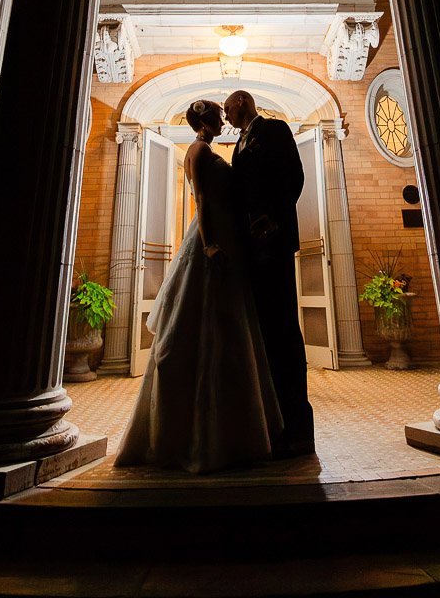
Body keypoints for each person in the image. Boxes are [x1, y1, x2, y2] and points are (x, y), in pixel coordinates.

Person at [115, 97, 282, 473]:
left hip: (226, 237)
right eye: (219, 117)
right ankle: (200, 435)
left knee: (224, 329)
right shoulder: (199, 152)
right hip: (212, 240)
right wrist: (208, 244)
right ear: (205, 122)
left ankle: (228, 429)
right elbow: (203, 201)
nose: (224, 121)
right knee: (206, 328)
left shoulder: (204, 148)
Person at [223, 89, 315, 458]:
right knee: (261, 333)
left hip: (273, 243)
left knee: (283, 330)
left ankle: (297, 427)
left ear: (242, 103)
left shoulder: (275, 130)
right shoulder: (237, 145)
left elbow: (293, 178)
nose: (226, 115)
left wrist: (272, 220)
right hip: (250, 249)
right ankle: (269, 424)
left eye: (228, 108)